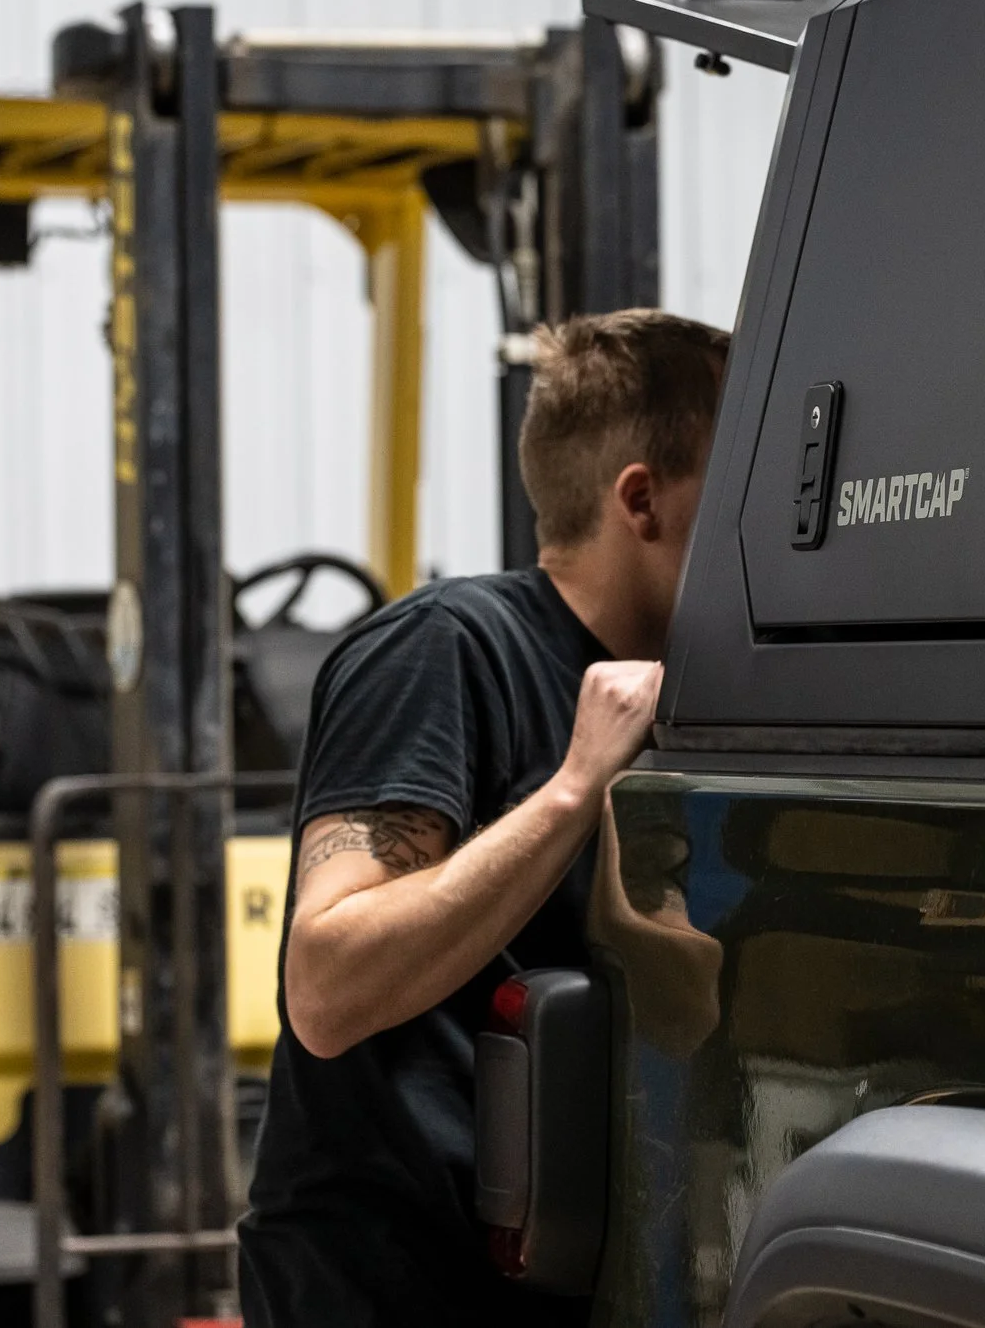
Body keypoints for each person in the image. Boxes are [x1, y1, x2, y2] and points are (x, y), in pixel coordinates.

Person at [239, 308, 729, 1328]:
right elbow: (325, 985)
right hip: (387, 1290)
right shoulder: (444, 650)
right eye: (736, 485)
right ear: (639, 499)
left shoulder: (683, 699)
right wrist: (571, 787)